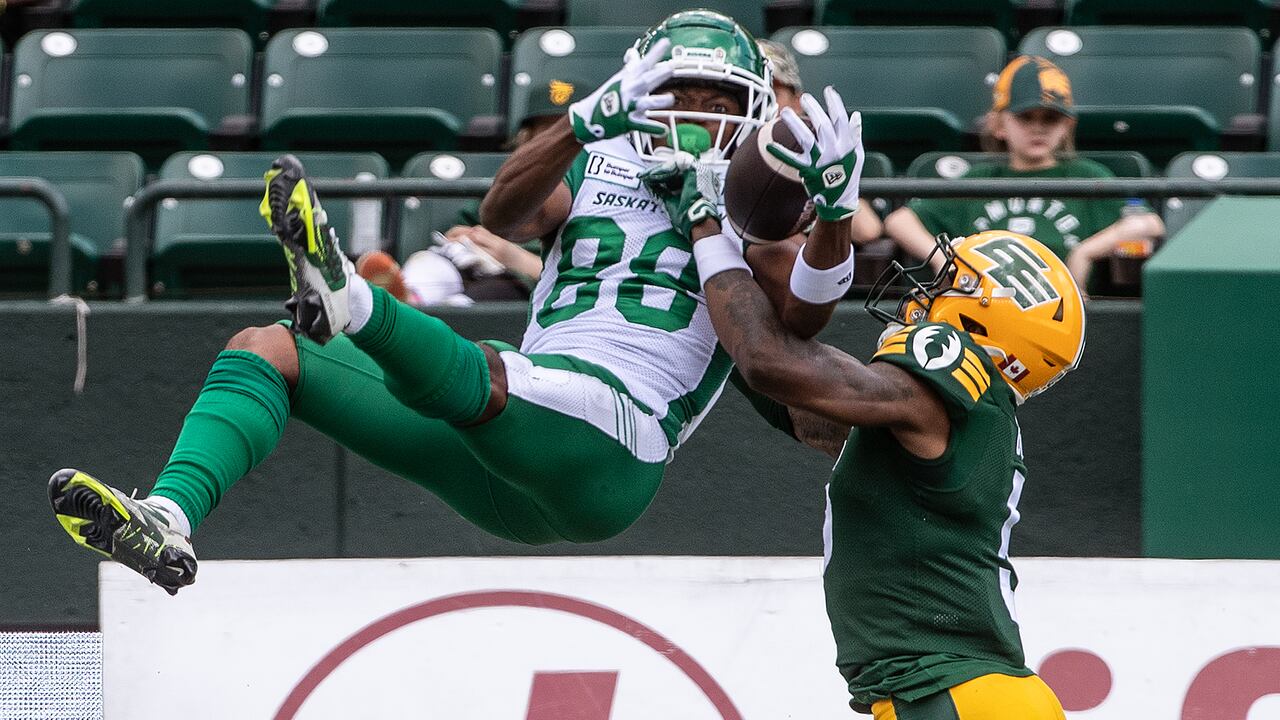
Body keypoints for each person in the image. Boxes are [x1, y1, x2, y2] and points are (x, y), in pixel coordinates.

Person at [47, 10, 845, 595]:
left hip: (615, 444)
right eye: (679, 91)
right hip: (510, 449)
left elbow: (801, 320)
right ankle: (168, 517)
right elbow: (504, 215)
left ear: (752, 103)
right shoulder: (601, 157)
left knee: (492, 370)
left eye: (715, 96)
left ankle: (353, 299)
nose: (695, 113)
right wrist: (578, 124)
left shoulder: (758, 200)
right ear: (641, 90)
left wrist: (830, 219)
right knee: (269, 349)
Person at [682, 86, 1077, 716]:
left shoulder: (951, 377)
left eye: (953, 283)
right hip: (950, 690)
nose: (925, 288)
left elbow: (776, 363)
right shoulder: (949, 416)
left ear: (988, 320)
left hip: (954, 691)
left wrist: (708, 234)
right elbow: (800, 408)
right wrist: (709, 290)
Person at [884, 55, 1163, 297]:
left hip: (1066, 312)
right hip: (983, 313)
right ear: (999, 125)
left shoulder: (1085, 175)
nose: (1038, 128)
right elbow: (900, 220)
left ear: (1067, 126)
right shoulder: (980, 179)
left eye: (1050, 119)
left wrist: (1084, 253)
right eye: (1026, 117)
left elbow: (1148, 222)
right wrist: (945, 259)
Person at [758, 37, 882, 248]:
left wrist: (832, 190)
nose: (762, 102)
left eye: (772, 92)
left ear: (797, 102)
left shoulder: (822, 148)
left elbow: (867, 230)